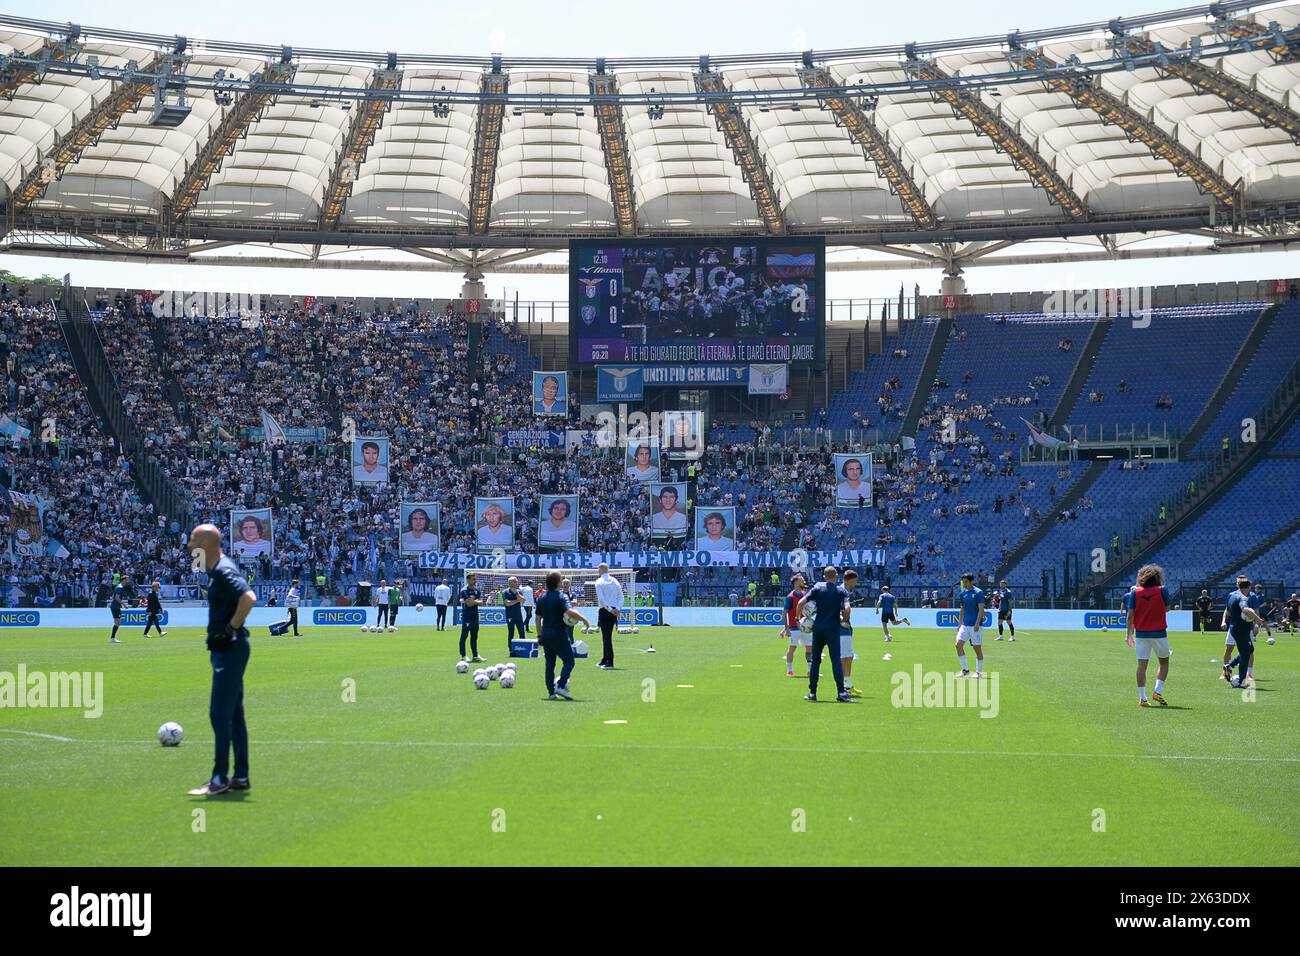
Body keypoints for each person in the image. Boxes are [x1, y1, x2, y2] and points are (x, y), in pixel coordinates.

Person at [186, 523, 257, 797]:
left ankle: (219, 778)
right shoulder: (216, 569)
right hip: (231, 649)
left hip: (231, 649)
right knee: (235, 715)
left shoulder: (224, 570)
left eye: (194, 540)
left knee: (219, 713)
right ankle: (240, 776)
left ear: (207, 543)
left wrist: (229, 630)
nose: (190, 545)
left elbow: (248, 598)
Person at [796, 565, 851, 703]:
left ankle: (813, 693)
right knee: (836, 661)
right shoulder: (841, 591)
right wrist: (843, 619)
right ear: (836, 576)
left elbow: (801, 602)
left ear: (824, 577)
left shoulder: (817, 588)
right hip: (833, 629)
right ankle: (841, 693)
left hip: (818, 628)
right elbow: (848, 608)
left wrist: (797, 619)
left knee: (815, 661)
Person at [536, 571, 589, 700]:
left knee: (550, 664)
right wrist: (584, 619)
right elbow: (570, 611)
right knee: (569, 661)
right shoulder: (561, 596)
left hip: (545, 634)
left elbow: (537, 619)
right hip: (558, 634)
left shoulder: (541, 597)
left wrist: (539, 636)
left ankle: (551, 693)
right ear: (558, 582)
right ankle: (560, 685)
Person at [1125, 564, 1172, 707]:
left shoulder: (1135, 592)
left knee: (1141, 666)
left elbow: (1130, 615)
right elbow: (1168, 608)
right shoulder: (1162, 590)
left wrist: (1129, 634)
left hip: (1141, 634)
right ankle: (1157, 691)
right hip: (1159, 633)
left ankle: (1142, 698)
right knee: (1164, 662)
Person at [1223, 576, 1265, 688]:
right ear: (1246, 588)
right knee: (1245, 654)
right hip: (1241, 629)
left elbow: (1229, 610)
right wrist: (1258, 620)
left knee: (1250, 649)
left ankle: (1230, 666)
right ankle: (1241, 681)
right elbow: (1245, 610)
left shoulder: (1232, 595)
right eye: (1249, 588)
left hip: (1235, 627)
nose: (1250, 590)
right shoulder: (1243, 598)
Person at [954, 572, 986, 679]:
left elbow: (981, 609)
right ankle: (965, 670)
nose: (965, 584)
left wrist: (977, 623)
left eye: (966, 582)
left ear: (971, 581)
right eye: (963, 582)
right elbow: (962, 609)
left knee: (977, 649)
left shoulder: (978, 592)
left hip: (975, 625)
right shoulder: (962, 594)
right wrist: (959, 624)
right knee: (958, 645)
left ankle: (979, 672)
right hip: (965, 625)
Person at [594, 563, 624, 670]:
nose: (598, 570)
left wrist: (610, 609)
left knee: (606, 637)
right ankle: (605, 659)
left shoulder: (599, 582)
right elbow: (621, 596)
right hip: (614, 610)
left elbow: (601, 599)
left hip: (605, 610)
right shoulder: (615, 581)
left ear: (602, 569)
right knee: (606, 636)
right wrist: (617, 609)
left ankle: (610, 662)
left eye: (598, 568)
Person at [839, 570, 862, 697]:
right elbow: (836, 608)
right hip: (841, 629)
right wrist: (841, 622)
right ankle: (842, 686)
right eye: (855, 580)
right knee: (844, 657)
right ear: (850, 580)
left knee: (849, 656)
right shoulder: (842, 591)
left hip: (845, 629)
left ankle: (847, 684)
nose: (856, 583)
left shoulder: (845, 591)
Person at [782, 573, 811, 678]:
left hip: (806, 627)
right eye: (801, 579)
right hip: (794, 628)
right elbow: (784, 613)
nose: (803, 580)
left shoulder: (805, 595)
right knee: (792, 649)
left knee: (809, 649)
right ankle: (789, 670)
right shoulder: (790, 597)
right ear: (795, 582)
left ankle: (809, 670)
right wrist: (786, 629)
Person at [459, 573, 484, 662]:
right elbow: (469, 604)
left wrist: (473, 601)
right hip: (467, 617)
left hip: (475, 617)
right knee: (464, 636)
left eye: (475, 579)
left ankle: (475, 655)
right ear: (468, 580)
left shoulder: (477, 590)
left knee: (474, 636)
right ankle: (463, 655)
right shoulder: (464, 590)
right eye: (473, 579)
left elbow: (481, 602)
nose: (475, 580)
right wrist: (475, 601)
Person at [503, 576, 526, 648]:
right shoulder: (505, 592)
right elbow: (507, 603)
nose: (517, 583)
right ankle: (511, 649)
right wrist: (517, 600)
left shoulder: (518, 591)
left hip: (518, 615)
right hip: (510, 615)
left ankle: (523, 648)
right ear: (510, 583)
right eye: (515, 581)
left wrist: (516, 594)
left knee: (522, 631)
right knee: (511, 632)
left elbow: (522, 600)